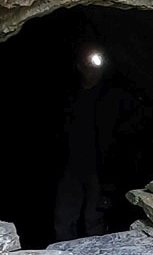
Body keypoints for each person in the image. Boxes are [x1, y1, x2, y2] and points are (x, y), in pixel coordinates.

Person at [53, 46, 128, 241]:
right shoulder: (69, 94)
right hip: (71, 167)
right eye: (86, 63)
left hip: (99, 168)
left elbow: (120, 134)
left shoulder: (112, 96)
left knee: (93, 218)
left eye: (95, 62)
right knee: (63, 218)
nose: (91, 68)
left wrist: (112, 173)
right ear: (78, 66)